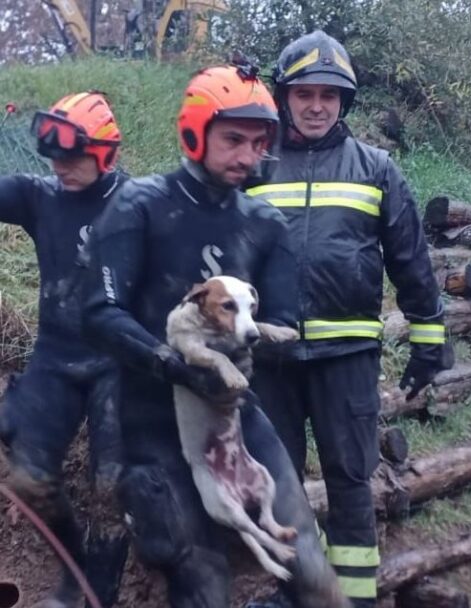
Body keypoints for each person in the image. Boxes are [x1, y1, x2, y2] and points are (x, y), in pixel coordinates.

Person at [80, 63, 340, 607]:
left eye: (257, 143)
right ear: (195, 132)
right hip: (151, 417)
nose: (247, 156)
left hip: (234, 412)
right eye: (233, 139)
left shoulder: (265, 222)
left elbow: (285, 324)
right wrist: (172, 364)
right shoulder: (138, 205)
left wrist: (258, 344)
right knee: (201, 582)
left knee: (314, 572)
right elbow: (100, 313)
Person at [247, 30, 450, 606]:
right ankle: (294, 595)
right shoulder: (256, 167)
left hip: (350, 359)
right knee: (278, 488)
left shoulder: (376, 168)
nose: (316, 105)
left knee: (350, 485)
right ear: (284, 97)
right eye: (305, 93)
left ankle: (356, 599)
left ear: (344, 103)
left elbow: (410, 259)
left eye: (329, 96)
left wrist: (429, 341)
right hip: (271, 358)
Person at [0, 91, 126, 607]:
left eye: (73, 157)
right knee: (29, 480)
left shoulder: (139, 203)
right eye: (54, 157)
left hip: (118, 361)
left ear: (106, 153)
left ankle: (100, 592)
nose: (61, 167)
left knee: (113, 489)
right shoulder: (39, 195)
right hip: (55, 357)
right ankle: (74, 570)